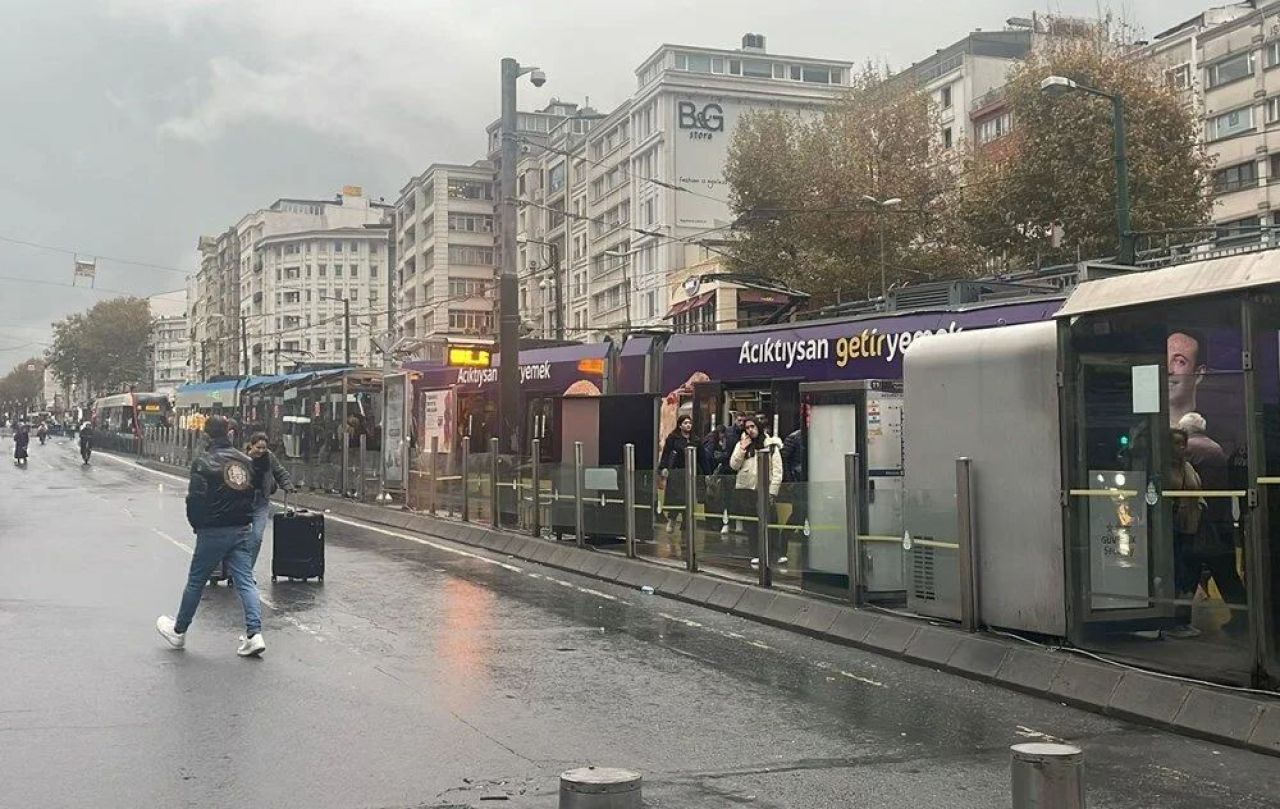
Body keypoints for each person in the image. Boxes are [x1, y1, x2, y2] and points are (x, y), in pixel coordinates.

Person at [156, 415, 266, 657]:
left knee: (196, 580)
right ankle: (254, 633)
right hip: (241, 529)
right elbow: (252, 494)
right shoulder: (245, 461)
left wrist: (197, 524)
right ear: (228, 433)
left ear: (206, 435)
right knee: (245, 581)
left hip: (213, 530)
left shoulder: (203, 462)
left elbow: (195, 499)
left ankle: (179, 631)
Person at [729, 415, 784, 567]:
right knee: (752, 524)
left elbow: (778, 471)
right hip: (747, 489)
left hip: (765, 488)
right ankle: (756, 553)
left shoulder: (771, 445)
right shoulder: (742, 444)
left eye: (753, 427)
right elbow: (733, 465)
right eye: (747, 428)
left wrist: (773, 491)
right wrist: (742, 448)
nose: (750, 430)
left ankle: (775, 552)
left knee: (770, 520)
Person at [1167, 428, 1206, 640]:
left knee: (1189, 574)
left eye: (1183, 443)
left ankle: (1183, 619)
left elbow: (1198, 490)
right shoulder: (1163, 468)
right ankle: (1172, 620)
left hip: (1191, 526)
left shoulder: (1188, 467)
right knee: (1177, 573)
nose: (1181, 447)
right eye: (1176, 443)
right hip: (1172, 529)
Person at [246, 432, 295, 567]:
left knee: (257, 537)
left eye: (264, 448)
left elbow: (280, 471)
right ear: (251, 445)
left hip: (261, 501)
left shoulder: (269, 457)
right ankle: (237, 569)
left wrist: (287, 485)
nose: (261, 451)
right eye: (258, 447)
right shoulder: (241, 458)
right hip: (243, 503)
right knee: (239, 538)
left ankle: (248, 570)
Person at [658, 415, 695, 533]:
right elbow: (666, 454)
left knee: (687, 499)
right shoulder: (672, 439)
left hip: (690, 473)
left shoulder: (695, 439)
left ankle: (686, 525)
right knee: (675, 499)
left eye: (689, 423)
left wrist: (706, 472)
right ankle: (672, 519)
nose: (688, 425)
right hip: (676, 472)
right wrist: (663, 467)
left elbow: (702, 457)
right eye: (685, 423)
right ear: (680, 425)